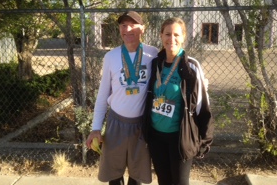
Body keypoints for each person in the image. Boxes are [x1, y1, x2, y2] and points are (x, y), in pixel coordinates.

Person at [86, 11, 158, 185]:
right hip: (115, 124)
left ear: (143, 28)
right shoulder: (111, 56)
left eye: (133, 24)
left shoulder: (153, 54)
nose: (127, 29)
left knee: (137, 176)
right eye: (123, 25)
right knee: (114, 176)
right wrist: (96, 128)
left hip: (141, 125)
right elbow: (103, 95)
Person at [143, 17, 214, 185]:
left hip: (180, 138)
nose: (171, 39)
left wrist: (204, 141)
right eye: (167, 34)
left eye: (176, 34)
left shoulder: (191, 66)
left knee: (180, 182)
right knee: (164, 181)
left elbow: (202, 107)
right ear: (161, 36)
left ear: (183, 37)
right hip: (156, 137)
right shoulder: (155, 64)